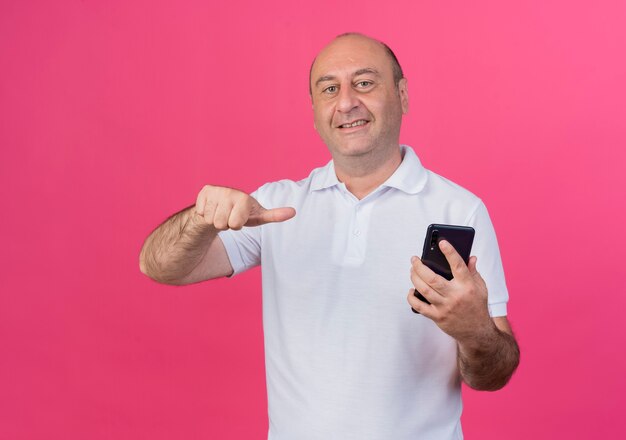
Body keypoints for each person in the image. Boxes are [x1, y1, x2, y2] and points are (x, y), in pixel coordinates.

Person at [139, 33, 520, 440]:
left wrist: (472, 329)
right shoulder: (274, 207)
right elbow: (159, 267)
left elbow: (493, 376)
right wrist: (200, 220)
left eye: (365, 82)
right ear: (316, 109)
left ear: (403, 95)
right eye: (329, 88)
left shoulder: (459, 210)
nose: (346, 102)